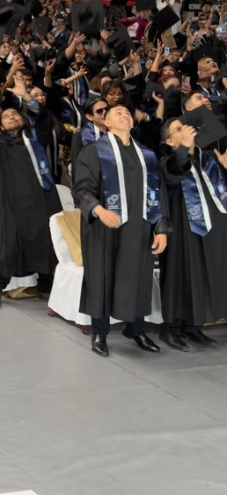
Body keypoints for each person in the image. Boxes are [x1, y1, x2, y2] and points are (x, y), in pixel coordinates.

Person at [71, 105, 168, 357]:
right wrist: (98, 210)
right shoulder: (93, 152)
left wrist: (161, 229)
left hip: (139, 228)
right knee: (103, 276)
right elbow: (81, 189)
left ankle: (135, 329)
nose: (125, 115)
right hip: (105, 228)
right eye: (118, 113)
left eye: (127, 113)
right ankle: (100, 333)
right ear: (106, 123)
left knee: (137, 277)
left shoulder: (147, 156)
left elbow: (157, 195)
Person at [0, 102, 62, 309]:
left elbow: (44, 120)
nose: (12, 117)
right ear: (0, 126)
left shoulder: (34, 139)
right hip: (11, 201)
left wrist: (27, 97)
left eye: (15, 114)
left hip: (40, 199)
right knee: (8, 244)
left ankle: (45, 284)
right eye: (6, 116)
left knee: (46, 239)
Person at [156, 117, 227, 350]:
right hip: (182, 229)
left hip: (211, 230)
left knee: (203, 276)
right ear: (170, 141)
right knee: (179, 276)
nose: (186, 130)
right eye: (179, 129)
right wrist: (185, 148)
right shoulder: (167, 161)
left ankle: (194, 326)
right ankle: (171, 328)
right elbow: (175, 171)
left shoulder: (208, 160)